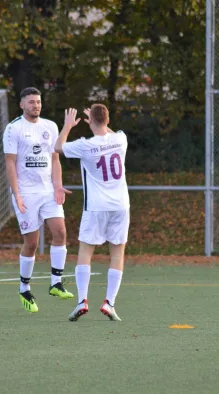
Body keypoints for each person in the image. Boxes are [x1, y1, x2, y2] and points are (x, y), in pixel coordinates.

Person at [54, 105, 130, 322]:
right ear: (107, 120)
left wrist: (68, 126)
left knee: (86, 252)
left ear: (90, 121)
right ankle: (109, 303)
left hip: (96, 207)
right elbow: (110, 132)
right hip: (120, 205)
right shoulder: (120, 139)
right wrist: (101, 122)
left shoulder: (85, 145)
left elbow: (58, 147)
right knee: (117, 253)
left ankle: (82, 300)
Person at [3, 87, 74, 313]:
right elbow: (10, 163)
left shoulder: (50, 126)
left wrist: (58, 186)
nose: (36, 105)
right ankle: (24, 288)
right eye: (32, 102)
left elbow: (55, 160)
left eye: (39, 102)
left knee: (60, 233)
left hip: (47, 191)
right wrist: (17, 194)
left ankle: (56, 283)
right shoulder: (13, 128)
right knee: (32, 243)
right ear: (22, 105)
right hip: (26, 192)